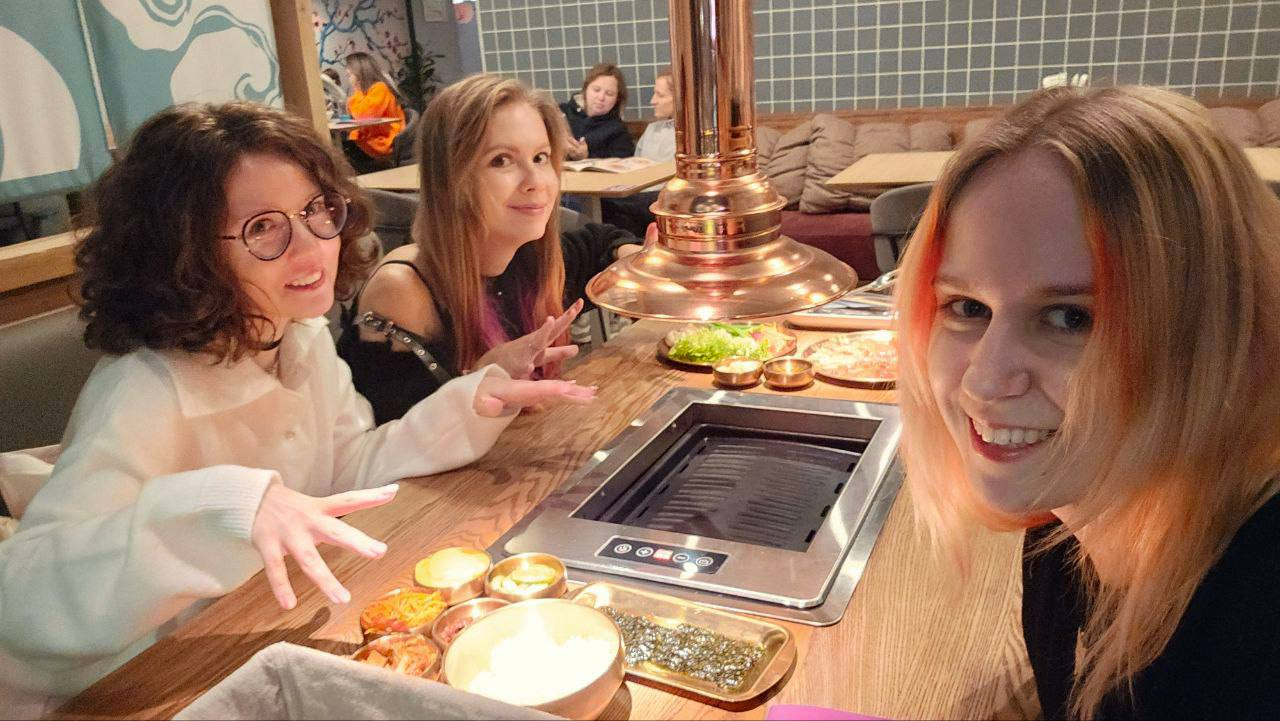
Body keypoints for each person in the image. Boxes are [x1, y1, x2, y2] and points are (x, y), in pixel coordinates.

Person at [0, 101, 593, 710]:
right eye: (262, 227)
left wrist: (472, 401)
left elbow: (348, 469)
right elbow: (25, 596)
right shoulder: (145, 388)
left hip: (269, 638)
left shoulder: (297, 335)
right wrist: (222, 508)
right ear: (183, 250)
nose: (311, 246)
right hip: (145, 686)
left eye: (315, 211)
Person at [893, 85, 1280, 719]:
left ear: (1218, 332)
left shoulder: (1255, 633)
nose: (985, 383)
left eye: (1071, 317)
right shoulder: (1068, 517)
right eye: (966, 307)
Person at [337, 74, 648, 424]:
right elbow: (386, 441)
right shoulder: (402, 292)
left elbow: (600, 245)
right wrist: (478, 381)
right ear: (451, 178)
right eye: (501, 160)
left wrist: (640, 258)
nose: (535, 181)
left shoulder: (526, 257)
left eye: (541, 157)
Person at [603, 67, 676, 236]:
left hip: (668, 197)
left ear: (680, 98)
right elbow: (636, 167)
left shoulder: (692, 135)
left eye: (660, 95)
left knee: (609, 205)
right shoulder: (652, 129)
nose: (652, 101)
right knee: (609, 205)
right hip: (640, 193)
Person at [343, 51, 405, 171]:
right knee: (341, 149)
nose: (348, 79)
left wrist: (355, 94)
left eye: (349, 75)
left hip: (383, 141)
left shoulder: (380, 88)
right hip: (370, 140)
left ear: (360, 74)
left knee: (342, 154)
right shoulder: (366, 93)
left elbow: (363, 115)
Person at [560, 63, 635, 160]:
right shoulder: (561, 113)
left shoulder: (619, 132)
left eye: (609, 94)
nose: (601, 97)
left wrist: (586, 157)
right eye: (596, 90)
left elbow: (623, 164)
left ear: (617, 99)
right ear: (586, 89)